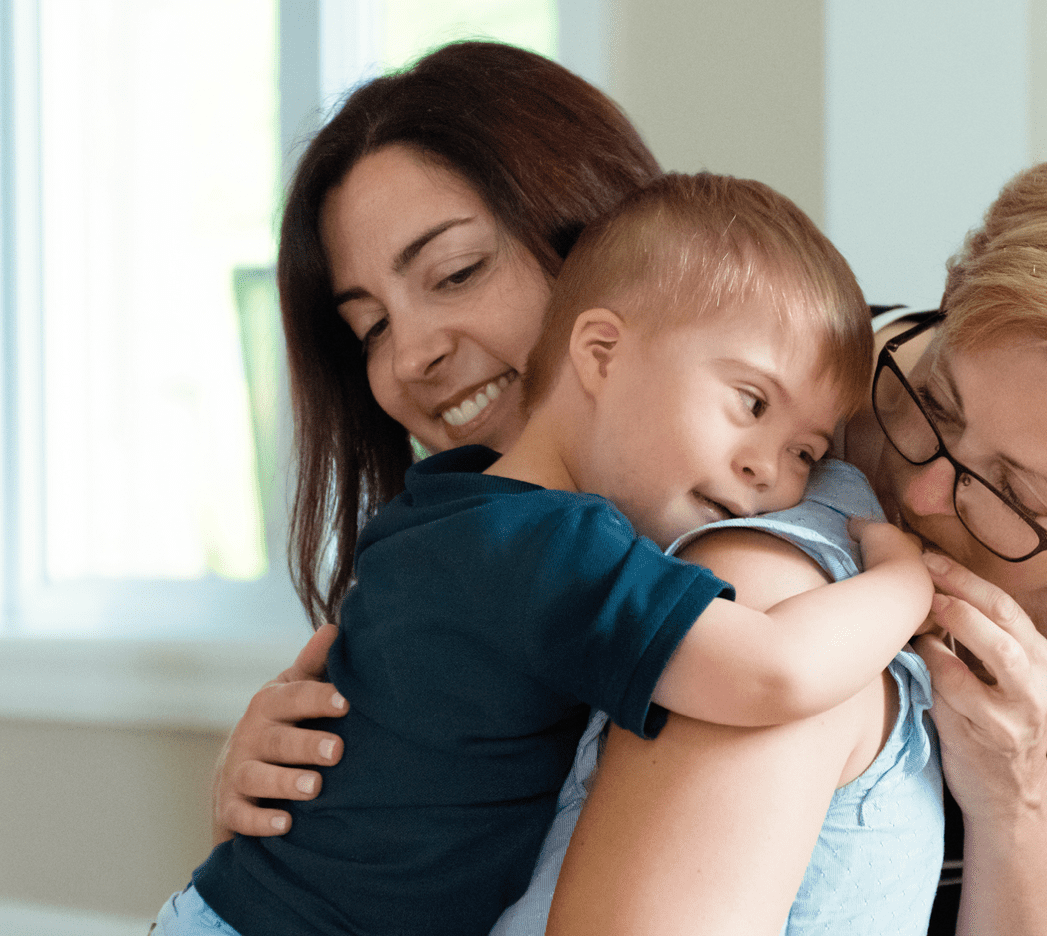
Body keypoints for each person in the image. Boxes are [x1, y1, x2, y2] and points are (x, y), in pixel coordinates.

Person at [217, 39, 1047, 933]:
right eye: (934, 399)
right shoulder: (780, 463)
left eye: (1013, 490)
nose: (921, 491)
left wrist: (1013, 800)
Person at [157, 171, 937, 936]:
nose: (769, 470)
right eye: (750, 403)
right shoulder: (550, 549)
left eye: (805, 453)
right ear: (600, 351)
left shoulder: (447, 505)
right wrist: (906, 580)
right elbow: (776, 671)